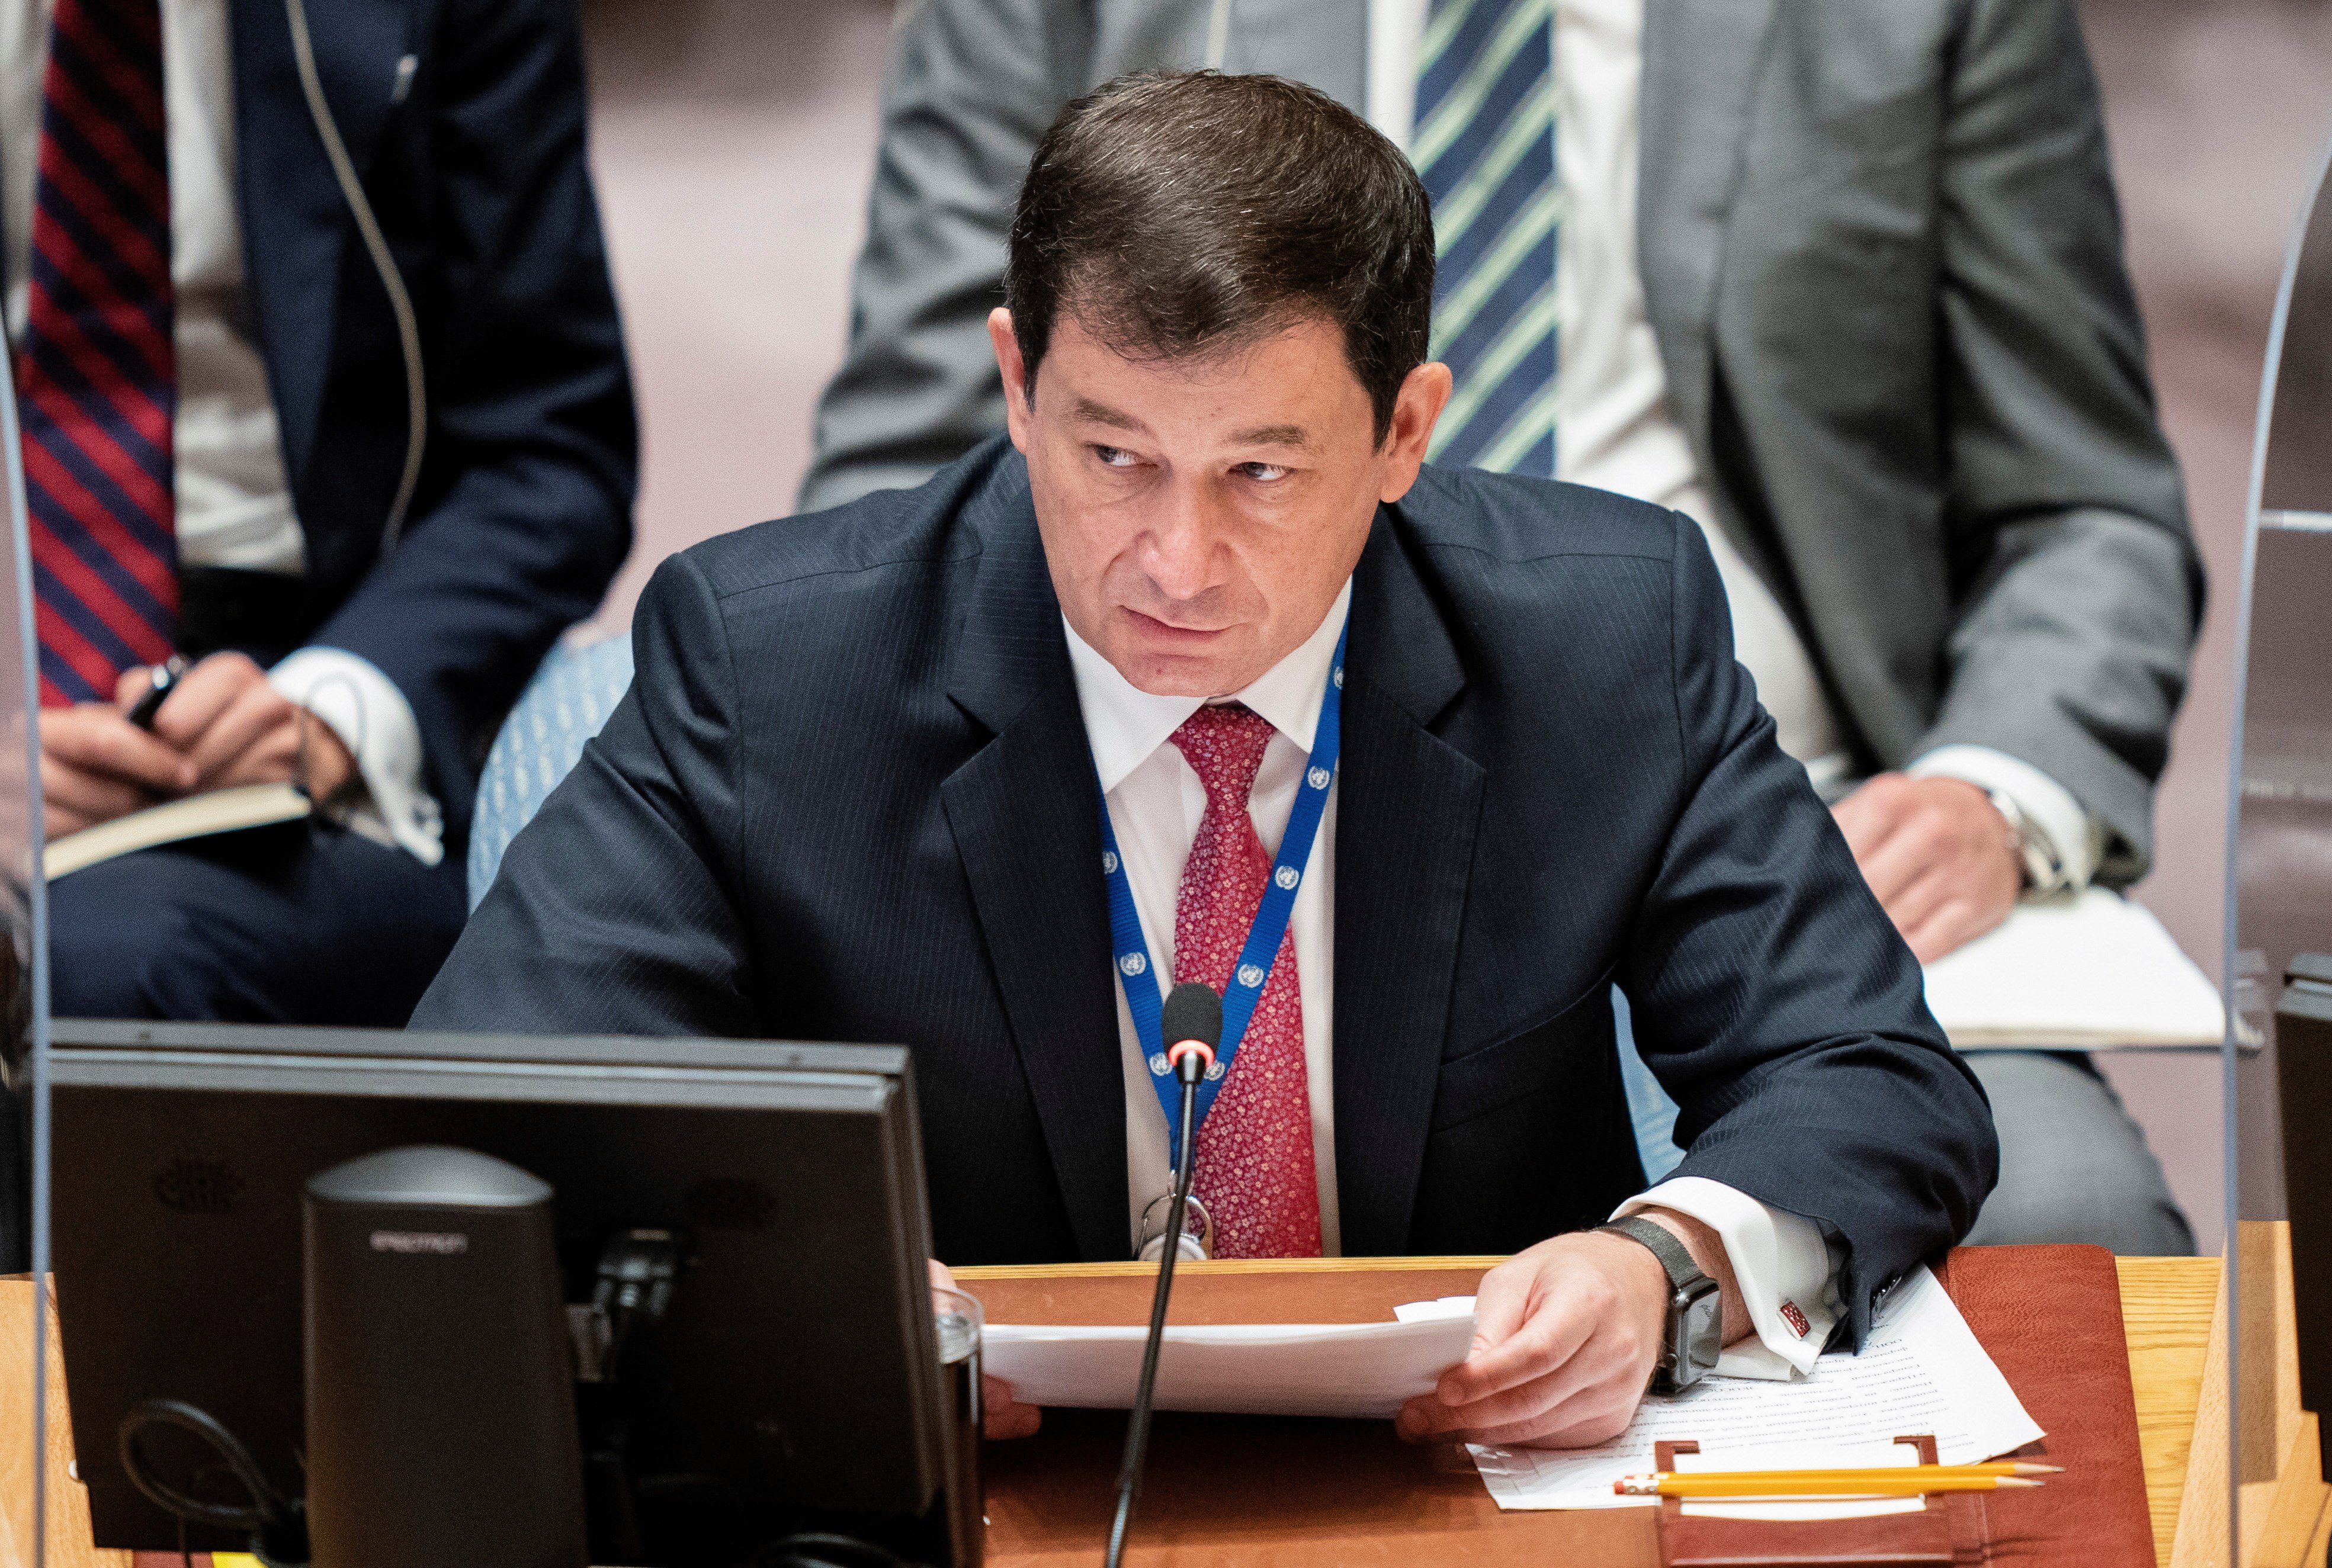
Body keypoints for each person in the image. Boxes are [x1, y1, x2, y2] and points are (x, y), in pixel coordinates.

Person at [419, 72, 1996, 1451]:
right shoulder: (773, 668)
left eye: (1259, 470)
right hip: (986, 1487)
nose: (1173, 563)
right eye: (1113, 457)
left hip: (1464, 1476)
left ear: (1402, 435)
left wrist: (1658, 1272)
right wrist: (798, 1299)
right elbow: (498, 1103)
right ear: (1015, 384)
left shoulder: (1599, 640)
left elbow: (1863, 1075)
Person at [799, 0, 2204, 1254]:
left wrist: (1995, 792)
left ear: (1415, 424)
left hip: (1791, 813)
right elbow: (903, 489)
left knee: (2065, 1225)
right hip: (1185, 771)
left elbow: (2085, 505)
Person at [9, 0, 636, 1024]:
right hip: (13, 656)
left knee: (101, 965)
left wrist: (332, 710)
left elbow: (550, 450)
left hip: (298, 673)